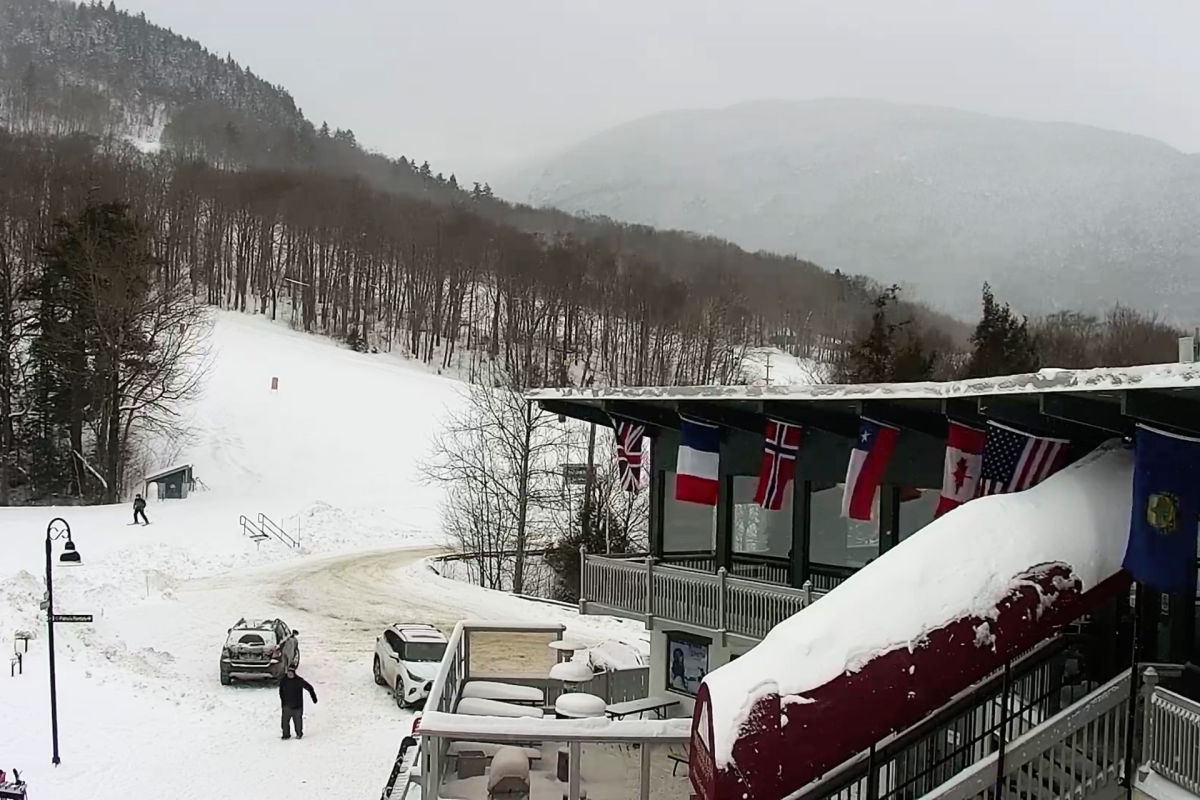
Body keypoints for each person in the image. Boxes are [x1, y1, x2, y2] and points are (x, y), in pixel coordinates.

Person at [279, 665, 317, 740]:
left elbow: (309, 687)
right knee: (285, 722)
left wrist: (314, 697)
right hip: (286, 705)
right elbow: (281, 691)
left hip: (297, 706)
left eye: (291, 673)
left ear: (294, 673)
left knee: (298, 722)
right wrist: (283, 700)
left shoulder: (299, 681)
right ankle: (286, 734)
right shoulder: (284, 680)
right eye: (288, 673)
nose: (289, 674)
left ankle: (299, 733)